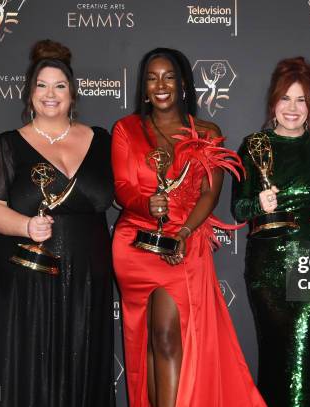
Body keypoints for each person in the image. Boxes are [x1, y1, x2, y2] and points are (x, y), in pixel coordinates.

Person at [111, 48, 265, 407]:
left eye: (168, 77)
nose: (160, 85)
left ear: (182, 84)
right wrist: (145, 202)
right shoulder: (127, 129)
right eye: (152, 77)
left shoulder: (207, 132)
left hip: (182, 241)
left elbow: (210, 193)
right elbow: (123, 187)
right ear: (144, 86)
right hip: (134, 243)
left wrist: (182, 233)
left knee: (166, 336)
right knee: (146, 341)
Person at [0, 40, 115, 407]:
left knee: (84, 362)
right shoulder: (8, 145)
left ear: (73, 94)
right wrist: (26, 227)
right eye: (42, 86)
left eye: (60, 86)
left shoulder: (101, 140)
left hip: (87, 278)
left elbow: (125, 192)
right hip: (28, 279)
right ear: (29, 94)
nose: (51, 94)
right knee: (33, 369)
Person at [231, 57, 310, 407]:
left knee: (307, 353)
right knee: (274, 356)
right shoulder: (253, 146)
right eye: (285, 98)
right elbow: (238, 209)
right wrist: (259, 203)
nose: (292, 108)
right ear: (273, 103)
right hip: (266, 267)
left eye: (301, 100)